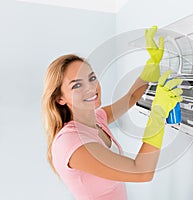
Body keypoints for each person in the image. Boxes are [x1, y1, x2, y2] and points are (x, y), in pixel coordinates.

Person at [42, 26, 183, 200]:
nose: (91, 88)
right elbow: (141, 172)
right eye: (77, 85)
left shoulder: (97, 119)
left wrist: (151, 65)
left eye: (92, 78)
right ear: (59, 98)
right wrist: (158, 115)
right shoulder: (71, 142)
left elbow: (131, 97)